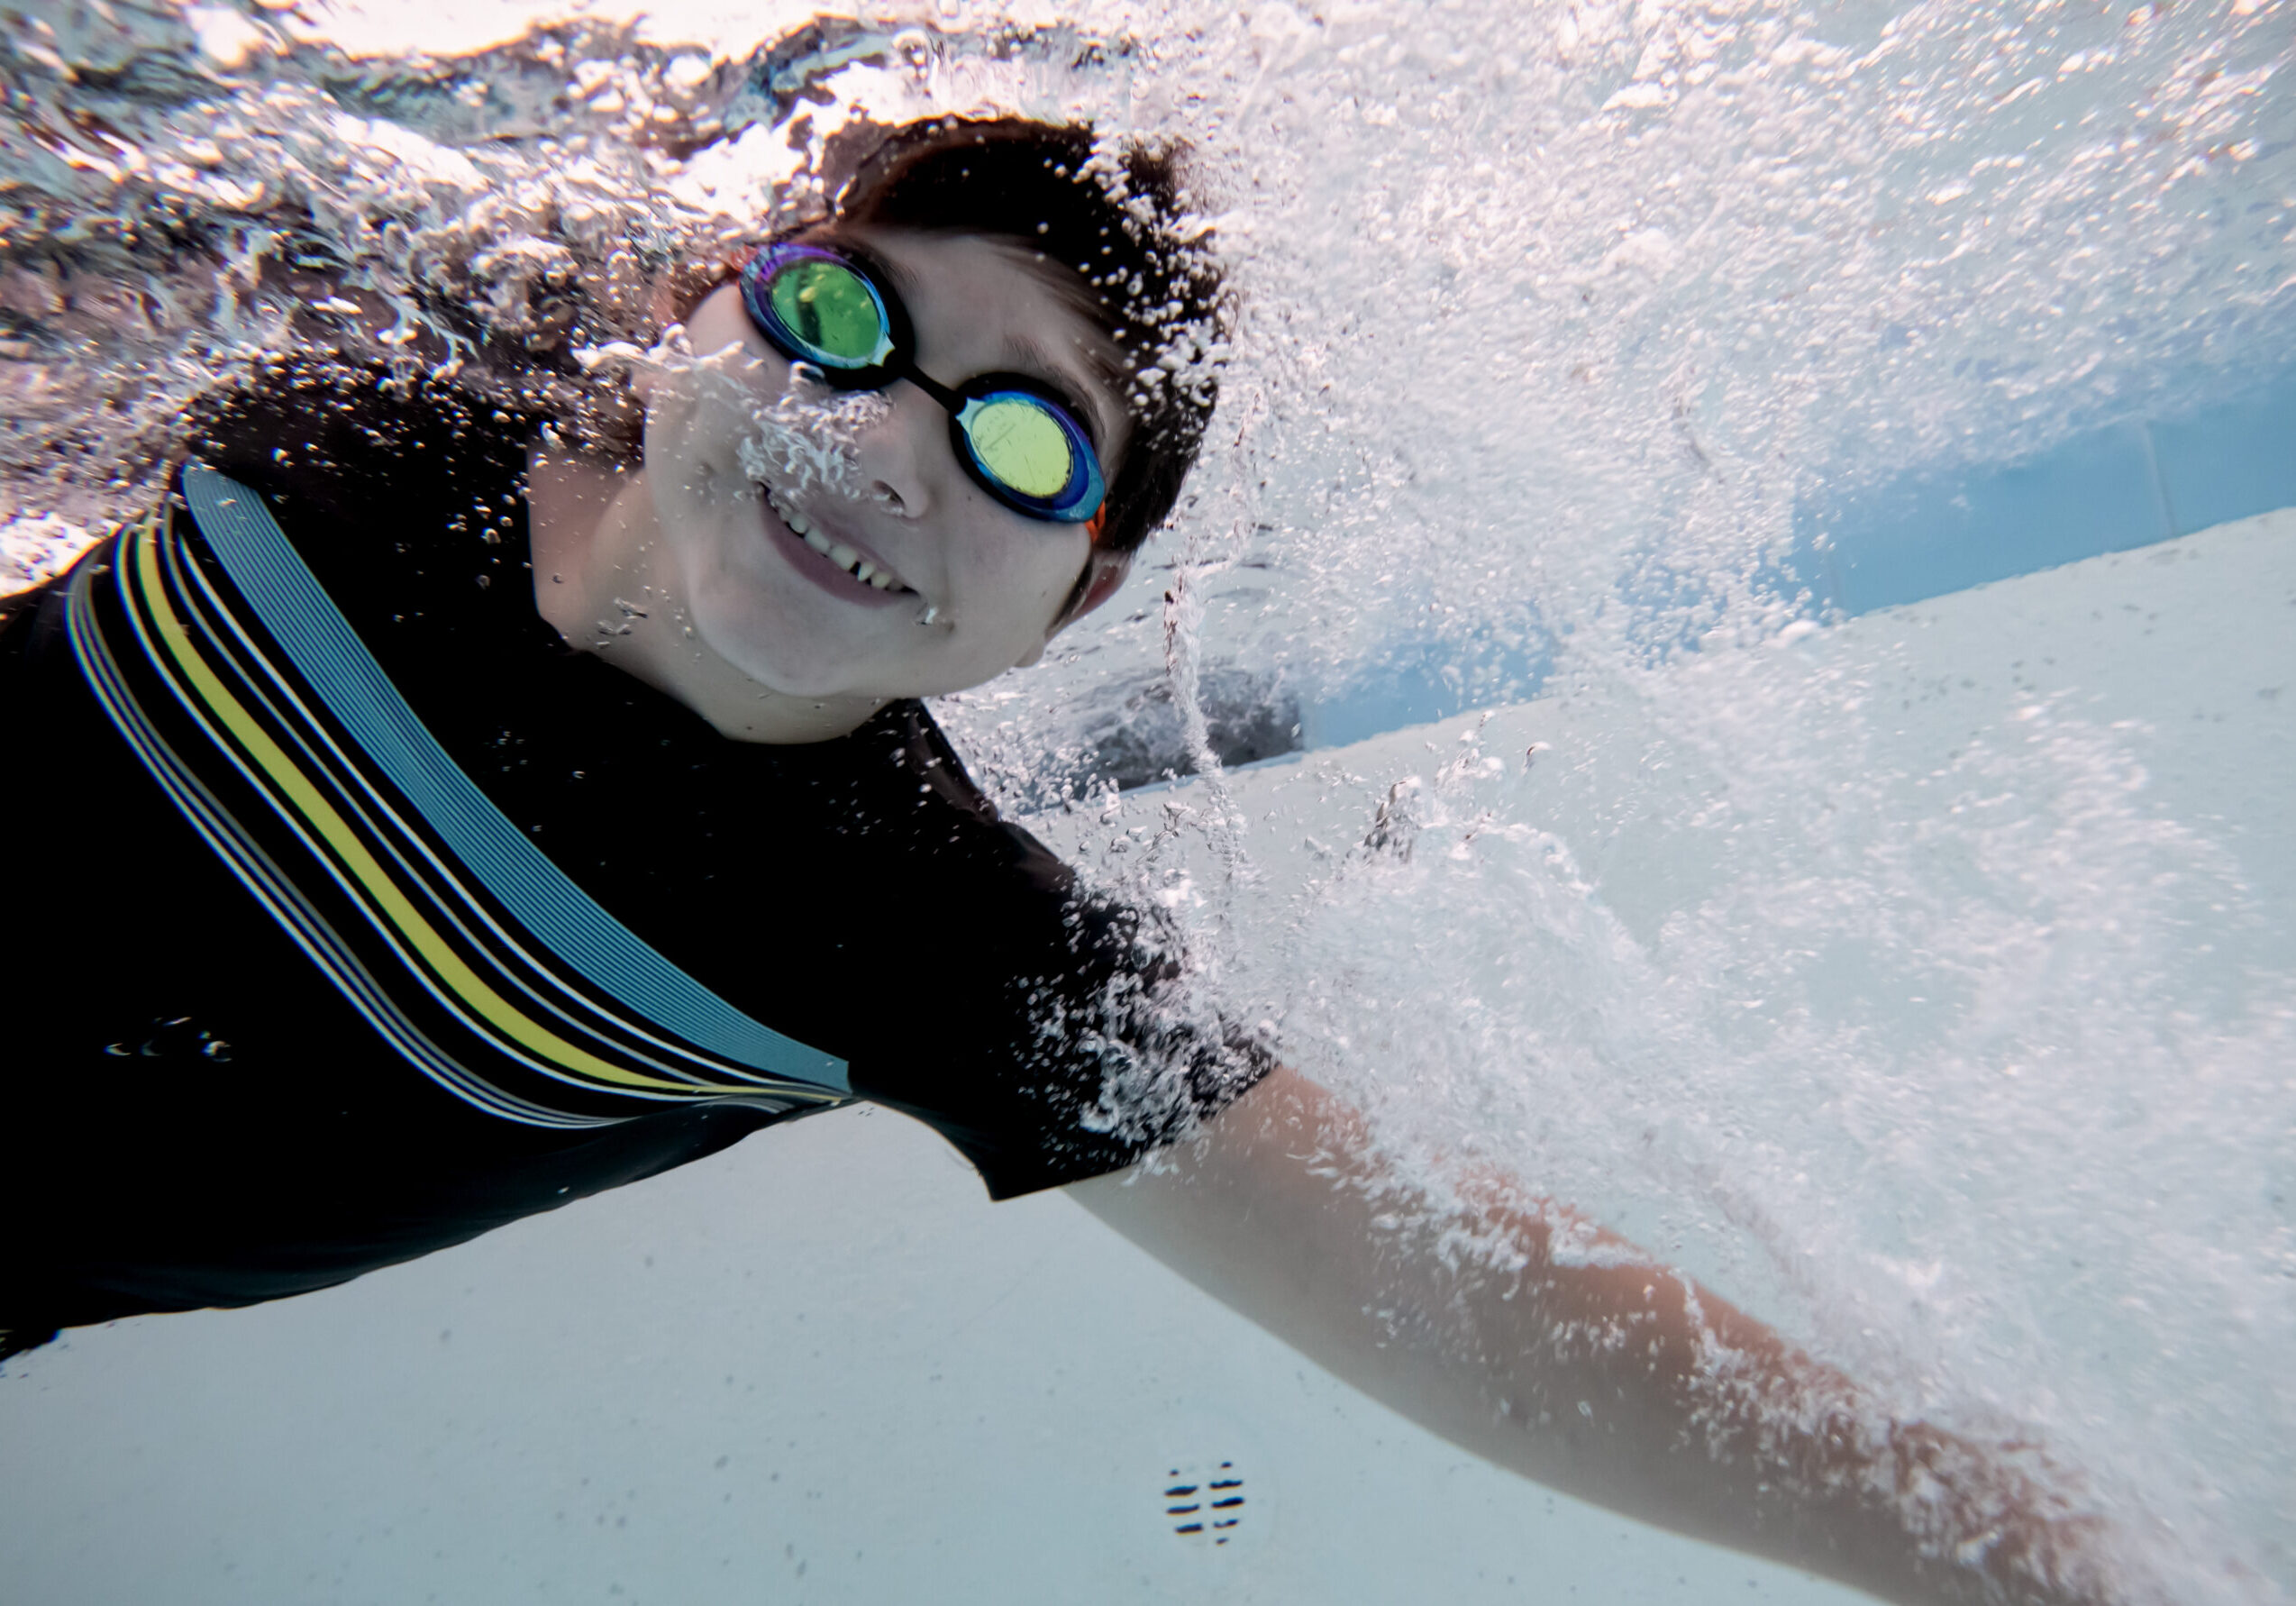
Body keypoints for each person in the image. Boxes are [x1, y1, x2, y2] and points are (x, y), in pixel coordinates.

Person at [0, 116, 2123, 1605]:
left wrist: (2041, 1568)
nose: (889, 438)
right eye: (842, 322)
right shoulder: (385, 394)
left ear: (1074, 609)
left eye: (1026, 440)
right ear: (693, 312)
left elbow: (1472, 1310)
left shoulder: (916, 933)